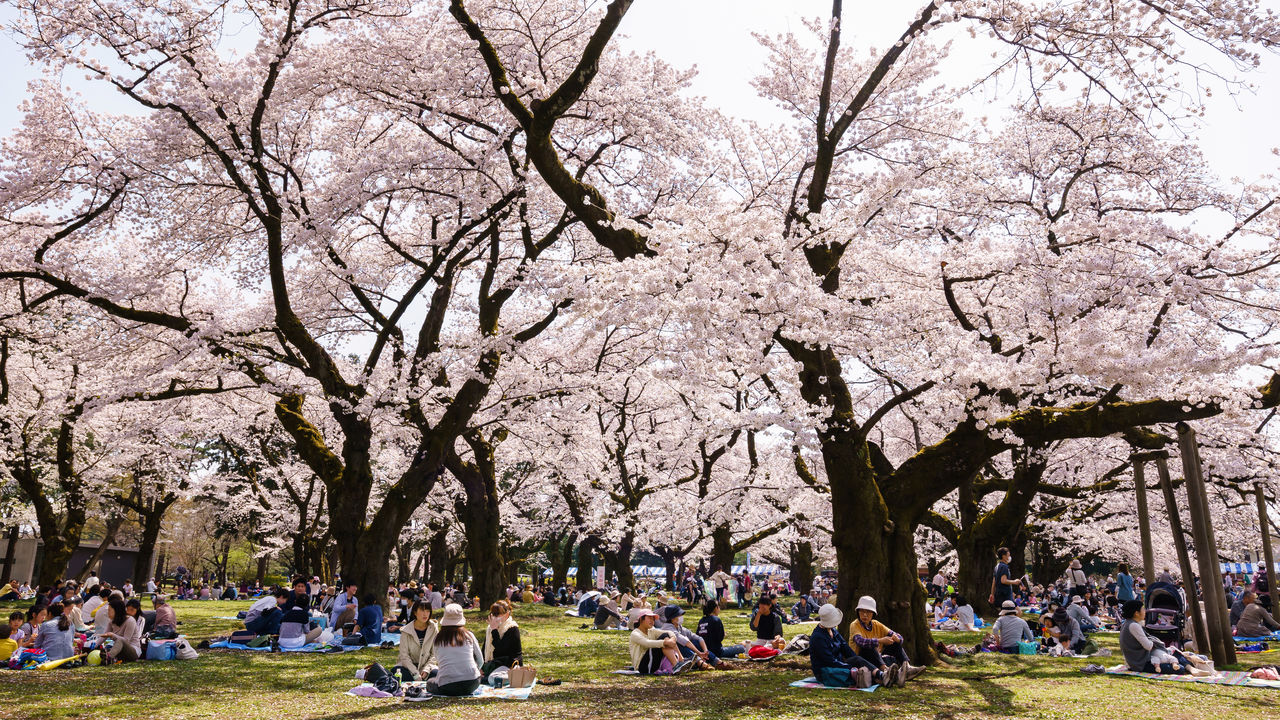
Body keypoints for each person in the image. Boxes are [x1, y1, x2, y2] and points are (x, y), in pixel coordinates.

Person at [810, 603, 888, 688]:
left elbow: (845, 648)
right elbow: (829, 661)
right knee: (858, 671)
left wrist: (857, 661)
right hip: (827, 670)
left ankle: (883, 674)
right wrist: (850, 666)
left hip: (838, 664)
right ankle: (881, 676)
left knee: (862, 658)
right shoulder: (818, 637)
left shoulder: (833, 630)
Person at [849, 596, 925, 682]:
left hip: (877, 657)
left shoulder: (876, 624)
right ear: (858, 612)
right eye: (862, 611)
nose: (865, 615)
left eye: (868, 612)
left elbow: (896, 635)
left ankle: (906, 666)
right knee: (869, 646)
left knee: (895, 644)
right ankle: (886, 671)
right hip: (862, 658)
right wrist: (880, 640)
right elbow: (860, 642)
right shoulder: (855, 625)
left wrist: (897, 639)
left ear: (873, 614)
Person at [1119, 600, 1194, 674]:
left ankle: (1191, 668)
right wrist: (1155, 641)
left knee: (1175, 652)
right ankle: (1189, 668)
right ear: (1136, 613)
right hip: (1140, 664)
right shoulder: (1134, 626)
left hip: (1138, 661)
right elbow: (1148, 646)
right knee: (1180, 669)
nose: (1145, 611)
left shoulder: (1127, 623)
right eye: (1143, 609)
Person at [425, 604, 483, 696]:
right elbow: (480, 660)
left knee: (430, 682)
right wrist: (474, 670)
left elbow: (439, 661)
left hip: (447, 685)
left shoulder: (438, 639)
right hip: (472, 683)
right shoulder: (469, 636)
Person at [629, 608, 687, 675]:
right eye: (649, 618)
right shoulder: (635, 634)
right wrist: (664, 642)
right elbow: (647, 643)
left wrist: (672, 638)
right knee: (664, 639)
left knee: (666, 636)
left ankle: (680, 661)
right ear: (641, 619)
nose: (652, 621)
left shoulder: (651, 630)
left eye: (653, 619)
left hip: (652, 663)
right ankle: (676, 665)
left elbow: (669, 632)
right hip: (642, 667)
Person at [658, 605, 715, 669]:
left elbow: (698, 638)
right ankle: (700, 663)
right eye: (679, 615)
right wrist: (699, 653)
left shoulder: (679, 627)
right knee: (681, 645)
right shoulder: (667, 627)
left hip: (684, 653)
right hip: (670, 656)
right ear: (672, 618)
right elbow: (685, 642)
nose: (681, 617)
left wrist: (705, 651)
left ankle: (716, 661)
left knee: (695, 642)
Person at [397, 599, 439, 680]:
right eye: (422, 610)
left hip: (427, 667)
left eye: (427, 611)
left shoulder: (433, 628)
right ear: (415, 612)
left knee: (436, 674)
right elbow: (404, 656)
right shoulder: (406, 631)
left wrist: (426, 669)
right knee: (397, 673)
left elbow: (435, 654)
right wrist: (415, 673)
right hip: (408, 667)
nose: (425, 614)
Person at [482, 600, 523, 680]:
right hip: (493, 664)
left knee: (494, 678)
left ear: (507, 614)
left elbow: (501, 650)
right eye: (493, 614)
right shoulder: (490, 628)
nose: (494, 617)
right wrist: (481, 667)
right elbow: (484, 649)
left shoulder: (512, 628)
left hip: (508, 665)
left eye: (497, 614)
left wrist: (494, 630)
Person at [102, 598, 141, 663]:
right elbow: (103, 637)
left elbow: (126, 640)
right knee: (107, 647)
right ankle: (107, 657)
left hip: (133, 651)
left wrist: (112, 635)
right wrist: (94, 646)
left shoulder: (130, 621)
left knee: (121, 640)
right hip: (120, 650)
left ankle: (108, 657)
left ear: (116, 611)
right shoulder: (112, 622)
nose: (108, 613)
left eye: (109, 610)